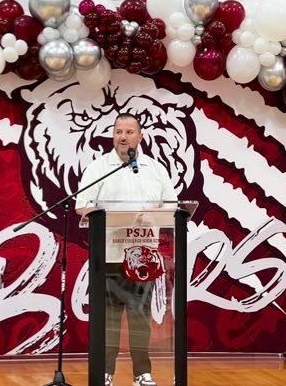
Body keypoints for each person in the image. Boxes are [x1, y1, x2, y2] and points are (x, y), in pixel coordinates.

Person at [75, 113, 177, 386]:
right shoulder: (99, 168)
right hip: (108, 255)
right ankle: (105, 372)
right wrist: (104, 215)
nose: (123, 136)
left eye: (129, 132)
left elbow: (172, 207)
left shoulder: (155, 169)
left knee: (140, 321)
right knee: (108, 321)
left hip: (143, 259)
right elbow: (81, 205)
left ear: (140, 137)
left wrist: (152, 216)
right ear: (113, 136)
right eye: (118, 131)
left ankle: (142, 373)